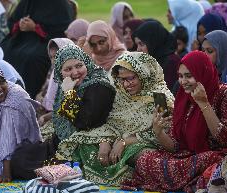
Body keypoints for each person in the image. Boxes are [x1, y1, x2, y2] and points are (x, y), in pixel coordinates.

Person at [121, 50, 227, 192]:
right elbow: (176, 146)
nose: (183, 82)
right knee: (145, 160)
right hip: (186, 156)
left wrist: (204, 104)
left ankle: (193, 179)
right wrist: (159, 132)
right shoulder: (183, 97)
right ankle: (188, 179)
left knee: (209, 159)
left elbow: (223, 139)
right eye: (180, 76)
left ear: (202, 72)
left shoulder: (225, 93)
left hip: (214, 155)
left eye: (189, 76)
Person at [56, 51, 174, 185]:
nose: (126, 84)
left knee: (144, 157)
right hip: (116, 143)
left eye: (131, 78)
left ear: (144, 74)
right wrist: (104, 140)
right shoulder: (120, 94)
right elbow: (108, 123)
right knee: (83, 144)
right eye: (122, 79)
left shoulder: (160, 99)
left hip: (142, 146)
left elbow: (163, 134)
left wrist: (126, 142)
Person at [10, 44, 115, 179]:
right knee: (20, 156)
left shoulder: (98, 85)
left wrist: (70, 94)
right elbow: (60, 118)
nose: (75, 72)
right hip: (63, 140)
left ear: (86, 63)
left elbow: (84, 122)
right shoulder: (67, 84)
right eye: (68, 69)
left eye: (79, 66)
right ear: (60, 72)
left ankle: (63, 171)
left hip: (85, 142)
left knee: (27, 165)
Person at [1, 0, 74, 98]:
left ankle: (27, 96)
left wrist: (35, 27)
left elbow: (62, 30)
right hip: (23, 38)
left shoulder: (60, 4)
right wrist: (20, 24)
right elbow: (12, 21)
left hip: (45, 41)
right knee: (4, 51)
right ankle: (5, 92)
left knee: (32, 58)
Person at [132, 20, 180, 92]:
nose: (138, 49)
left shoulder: (171, 62)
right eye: (137, 45)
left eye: (141, 44)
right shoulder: (150, 61)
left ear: (153, 42)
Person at [37, 38, 75, 128]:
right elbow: (44, 94)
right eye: (51, 57)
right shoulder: (55, 71)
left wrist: (46, 117)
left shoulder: (76, 75)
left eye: (57, 55)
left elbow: (68, 108)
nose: (54, 60)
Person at [202, 30, 227, 96]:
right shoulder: (208, 71)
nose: (204, 55)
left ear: (222, 52)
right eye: (203, 50)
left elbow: (225, 103)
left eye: (210, 51)